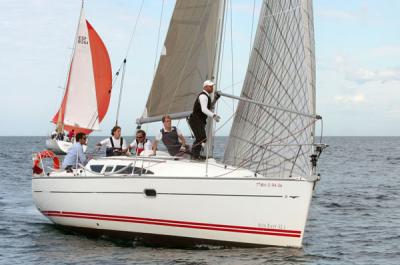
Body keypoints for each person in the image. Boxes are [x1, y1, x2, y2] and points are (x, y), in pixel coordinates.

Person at [188, 80, 221, 159]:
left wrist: (215, 99)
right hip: (195, 120)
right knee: (202, 138)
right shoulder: (203, 96)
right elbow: (204, 109)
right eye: (210, 86)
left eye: (212, 86)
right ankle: (195, 155)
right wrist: (214, 116)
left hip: (199, 120)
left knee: (201, 138)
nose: (212, 88)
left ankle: (195, 155)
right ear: (205, 87)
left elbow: (208, 107)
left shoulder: (207, 96)